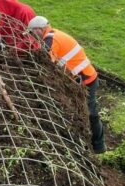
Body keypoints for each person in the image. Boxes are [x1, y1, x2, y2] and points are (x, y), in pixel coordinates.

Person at [27, 16, 105, 153]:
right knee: (76, 109)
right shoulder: (53, 35)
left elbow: (45, 63)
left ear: (39, 30)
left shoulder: (51, 40)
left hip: (87, 81)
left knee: (91, 113)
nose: (33, 37)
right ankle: (83, 140)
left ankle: (99, 147)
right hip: (78, 80)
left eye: (32, 33)